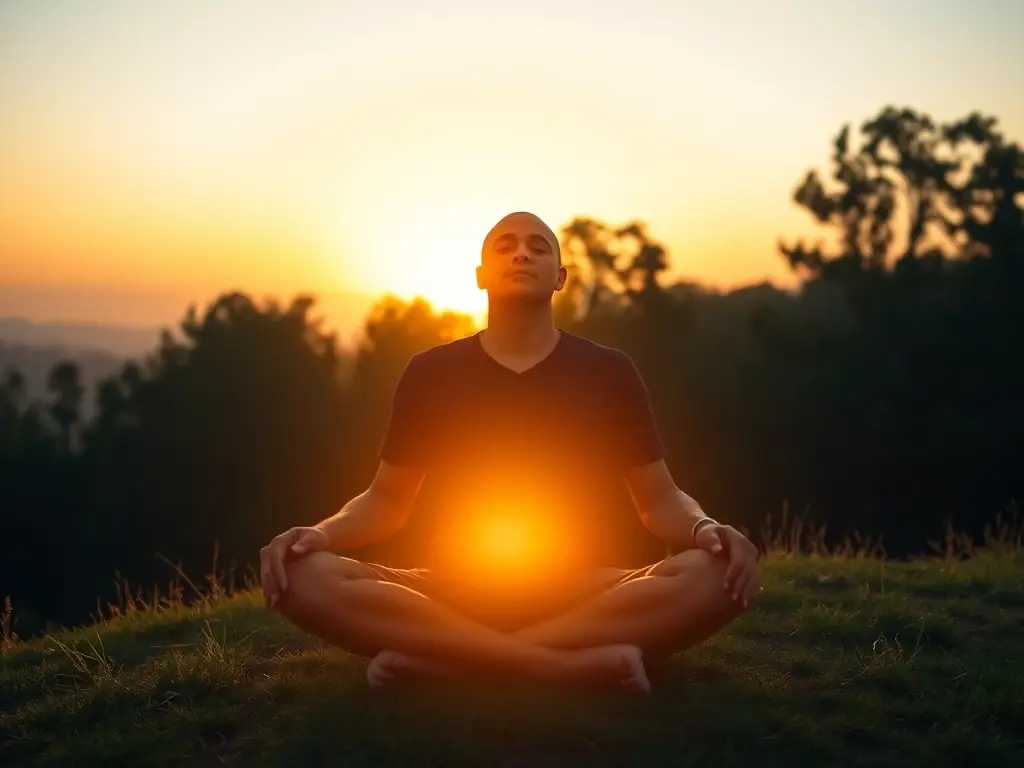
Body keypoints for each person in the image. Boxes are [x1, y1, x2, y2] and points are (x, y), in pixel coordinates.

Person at [259, 211, 760, 694]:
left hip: (586, 591)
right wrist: (318, 534)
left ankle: (451, 660)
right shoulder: (431, 372)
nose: (521, 254)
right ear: (480, 275)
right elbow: (386, 500)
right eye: (506, 246)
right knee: (305, 575)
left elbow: (657, 500)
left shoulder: (609, 371)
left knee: (712, 573)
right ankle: (555, 664)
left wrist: (705, 528)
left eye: (538, 247)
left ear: (559, 277)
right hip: (450, 591)